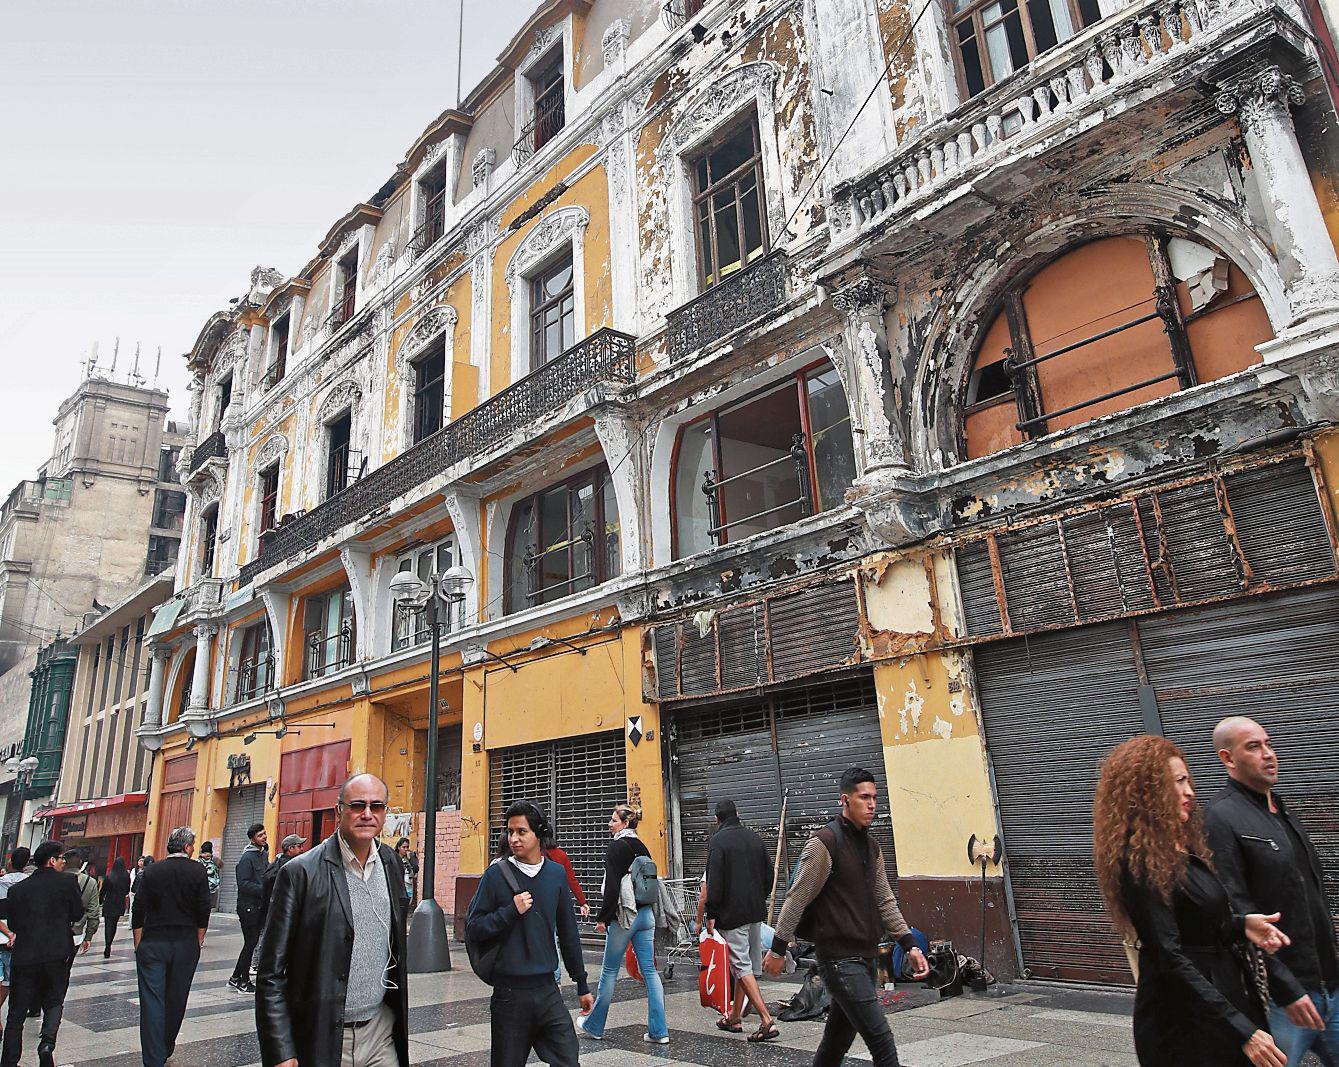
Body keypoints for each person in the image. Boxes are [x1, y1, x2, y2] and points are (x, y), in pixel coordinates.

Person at [1094, 734, 1290, 1067]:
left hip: (1218, 1003)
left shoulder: (1177, 849)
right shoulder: (1140, 863)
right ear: (1147, 791)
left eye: (1188, 780)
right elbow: (1169, 954)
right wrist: (1242, 1030)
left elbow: (1197, 926)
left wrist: (1243, 926)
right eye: (1178, 782)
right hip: (1186, 1022)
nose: (1190, 792)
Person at [763, 767, 930, 1067]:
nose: (872, 805)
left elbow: (885, 900)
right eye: (864, 798)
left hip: (866, 957)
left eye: (874, 798)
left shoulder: (872, 847)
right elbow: (797, 897)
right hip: (839, 960)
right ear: (845, 800)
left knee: (835, 1043)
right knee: (882, 1042)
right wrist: (777, 949)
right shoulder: (825, 843)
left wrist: (909, 945)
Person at [1204, 717, 1339, 1067]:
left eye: (1268, 743)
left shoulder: (1280, 810)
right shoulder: (1221, 817)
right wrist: (1287, 989)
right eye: (1253, 747)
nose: (1268, 753)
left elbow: (1309, 896)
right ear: (1228, 758)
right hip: (1286, 999)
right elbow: (1238, 911)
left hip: (1329, 984)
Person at [256, 773, 409, 1067]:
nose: (367, 814)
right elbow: (271, 972)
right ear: (340, 810)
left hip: (380, 1031)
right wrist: (281, 1050)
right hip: (323, 1034)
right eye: (358, 805)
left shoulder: (390, 862)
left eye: (376, 806)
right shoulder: (300, 873)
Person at [467, 801, 592, 1067]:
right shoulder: (496, 875)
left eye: (521, 832)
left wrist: (581, 984)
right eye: (510, 832)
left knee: (568, 1060)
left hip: (547, 990)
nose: (513, 839)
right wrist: (510, 911)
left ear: (539, 833)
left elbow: (568, 932)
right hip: (510, 994)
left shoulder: (556, 874)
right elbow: (474, 927)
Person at [577, 802, 669, 1045]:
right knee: (650, 971)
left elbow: (612, 887)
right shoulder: (642, 846)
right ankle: (659, 1031)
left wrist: (603, 918)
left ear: (625, 823)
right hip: (646, 915)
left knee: (609, 971)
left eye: (614, 820)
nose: (610, 824)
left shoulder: (616, 847)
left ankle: (594, 1025)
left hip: (625, 916)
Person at [0, 840, 86, 1067]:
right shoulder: (67, 882)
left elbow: (14, 924)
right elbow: (77, 913)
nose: (63, 863)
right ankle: (47, 1043)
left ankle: (9, 1060)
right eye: (61, 859)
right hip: (57, 953)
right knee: (54, 1001)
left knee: (16, 1012)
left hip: (25, 955)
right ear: (52, 860)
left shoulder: (18, 890)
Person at [133, 826, 211, 1067]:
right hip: (185, 943)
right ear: (187, 847)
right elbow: (204, 908)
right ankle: (166, 1046)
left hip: (153, 942)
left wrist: (138, 943)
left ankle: (153, 1058)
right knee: (177, 998)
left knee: (152, 1000)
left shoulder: (152, 870)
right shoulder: (198, 871)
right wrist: (199, 938)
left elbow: (138, 908)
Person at [705, 799, 779, 1042]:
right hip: (755, 912)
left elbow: (714, 882)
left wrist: (711, 913)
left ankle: (766, 1020)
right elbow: (769, 874)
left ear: (717, 819)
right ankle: (734, 1017)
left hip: (732, 914)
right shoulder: (754, 838)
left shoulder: (718, 842)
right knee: (744, 966)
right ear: (737, 814)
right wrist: (760, 897)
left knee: (740, 966)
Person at [229, 822, 268, 995]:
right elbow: (243, 883)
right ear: (253, 839)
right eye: (260, 835)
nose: (264, 837)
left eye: (264, 833)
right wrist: (264, 889)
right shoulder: (247, 858)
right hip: (248, 907)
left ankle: (235, 977)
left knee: (250, 943)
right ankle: (243, 981)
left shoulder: (262, 854)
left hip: (259, 906)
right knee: (250, 943)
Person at [0, 851, 32, 1044]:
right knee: (9, 982)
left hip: (4, 937)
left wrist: (8, 932)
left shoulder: (2, 883)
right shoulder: (30, 884)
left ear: (11, 863)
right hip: (20, 941)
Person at [262, 835, 307, 917]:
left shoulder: (277, 863)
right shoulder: (291, 866)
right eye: (299, 846)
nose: (302, 849)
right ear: (290, 848)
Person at [100, 857, 132, 958]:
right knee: (114, 925)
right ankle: (110, 942)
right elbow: (127, 890)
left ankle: (107, 945)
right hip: (119, 903)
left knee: (108, 925)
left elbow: (103, 891)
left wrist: (100, 901)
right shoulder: (126, 877)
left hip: (109, 903)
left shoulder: (109, 876)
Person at [71, 851, 100, 957]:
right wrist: (88, 936)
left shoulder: (55, 878)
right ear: (80, 862)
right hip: (76, 932)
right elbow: (93, 911)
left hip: (52, 932)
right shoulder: (90, 882)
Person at [197, 841, 221, 910]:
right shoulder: (215, 860)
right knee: (209, 909)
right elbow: (221, 865)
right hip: (213, 890)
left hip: (201, 889)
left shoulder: (198, 860)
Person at [394, 838, 417, 907]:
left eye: (407, 847)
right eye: (403, 847)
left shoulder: (409, 858)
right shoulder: (395, 858)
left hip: (409, 886)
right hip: (399, 887)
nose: (406, 849)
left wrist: (411, 859)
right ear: (399, 847)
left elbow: (416, 869)